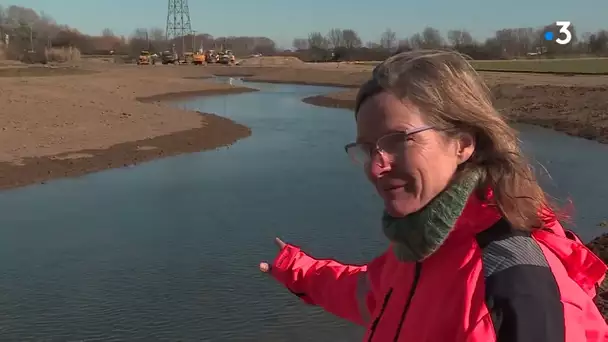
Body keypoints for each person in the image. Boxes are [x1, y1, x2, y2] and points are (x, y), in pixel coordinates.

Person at [259, 50, 608, 341]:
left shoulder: (517, 286)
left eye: (399, 140)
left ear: (463, 143)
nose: (377, 168)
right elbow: (365, 292)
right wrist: (297, 269)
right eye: (367, 149)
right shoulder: (418, 251)